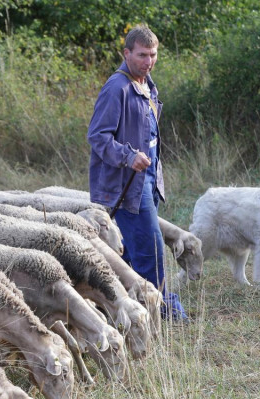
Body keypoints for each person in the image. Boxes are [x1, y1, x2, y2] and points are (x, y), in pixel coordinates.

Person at [87, 25, 190, 323]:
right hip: (125, 183)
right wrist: (128, 156)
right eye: (142, 55)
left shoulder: (147, 85)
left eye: (153, 55)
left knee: (130, 252)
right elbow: (98, 137)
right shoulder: (116, 88)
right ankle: (164, 311)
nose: (148, 61)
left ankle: (122, 309)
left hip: (147, 180)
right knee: (151, 249)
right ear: (127, 53)